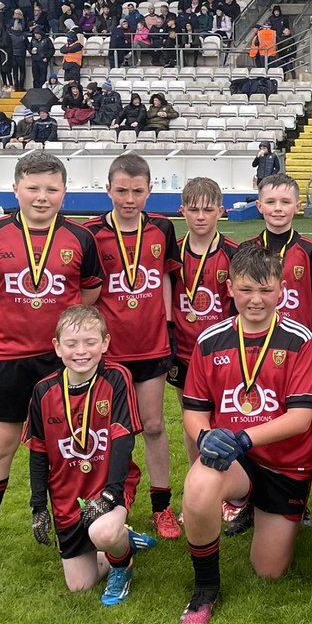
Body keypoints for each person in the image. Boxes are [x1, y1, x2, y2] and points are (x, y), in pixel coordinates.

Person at [0, 152, 104, 580]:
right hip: (5, 360)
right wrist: (8, 324)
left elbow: (86, 296)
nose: (42, 197)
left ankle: (89, 530)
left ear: (64, 192)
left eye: (51, 188)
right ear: (16, 188)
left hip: (62, 361)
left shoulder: (80, 238)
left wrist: (61, 338)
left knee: (75, 446)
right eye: (33, 188)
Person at [177, 246, 312, 624]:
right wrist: (206, 438)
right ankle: (206, 587)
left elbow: (301, 417)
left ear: (281, 290)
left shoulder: (300, 340)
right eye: (245, 290)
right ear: (229, 289)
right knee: (199, 483)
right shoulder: (210, 340)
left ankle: (260, 508)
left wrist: (241, 438)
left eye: (264, 289)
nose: (255, 300)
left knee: (270, 571)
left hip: (285, 462)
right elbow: (193, 411)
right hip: (235, 460)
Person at [24, 305, 157, 605]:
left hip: (108, 487)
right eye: (71, 344)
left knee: (104, 532)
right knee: (79, 586)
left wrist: (111, 496)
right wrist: (38, 507)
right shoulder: (43, 392)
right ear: (57, 347)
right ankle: (127, 542)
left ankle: (121, 564)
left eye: (90, 342)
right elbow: (38, 453)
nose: (81, 351)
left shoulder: (117, 378)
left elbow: (123, 443)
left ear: (105, 343)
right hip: (66, 499)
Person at [84, 155, 183, 540]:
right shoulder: (90, 233)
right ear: (108, 190)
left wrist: (170, 324)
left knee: (154, 426)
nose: (129, 199)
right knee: (106, 431)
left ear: (149, 191)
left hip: (152, 346)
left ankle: (161, 507)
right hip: (108, 351)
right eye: (121, 191)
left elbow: (163, 279)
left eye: (137, 191)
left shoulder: (161, 228)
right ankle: (106, 505)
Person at [168, 177, 238, 463]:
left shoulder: (234, 253)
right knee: (192, 421)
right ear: (181, 210)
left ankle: (229, 492)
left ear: (220, 211)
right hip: (183, 351)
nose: (200, 216)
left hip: (222, 351)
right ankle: (198, 483)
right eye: (193, 209)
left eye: (208, 210)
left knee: (225, 417)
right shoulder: (171, 251)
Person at [241, 174, 312, 332]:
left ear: (297, 206)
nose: (278, 208)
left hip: (299, 341)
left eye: (286, 202)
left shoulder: (309, 250)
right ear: (259, 206)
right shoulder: (246, 249)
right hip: (255, 338)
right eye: (270, 202)